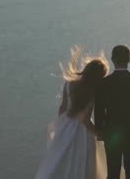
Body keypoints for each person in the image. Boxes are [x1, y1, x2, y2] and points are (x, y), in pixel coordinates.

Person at [35, 48, 109, 179]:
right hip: (83, 132)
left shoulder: (69, 84)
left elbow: (62, 109)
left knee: (61, 159)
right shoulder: (94, 90)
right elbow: (85, 119)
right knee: (82, 163)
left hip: (66, 126)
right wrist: (99, 133)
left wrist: (59, 128)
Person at [94, 45, 130, 179]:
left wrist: (99, 131)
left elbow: (99, 109)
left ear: (112, 59)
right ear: (129, 59)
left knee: (112, 171)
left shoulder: (104, 83)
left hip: (111, 133)